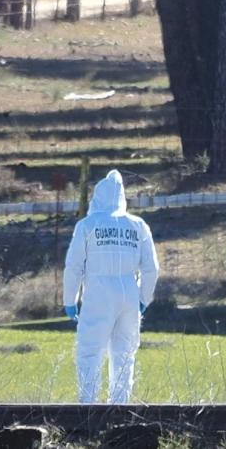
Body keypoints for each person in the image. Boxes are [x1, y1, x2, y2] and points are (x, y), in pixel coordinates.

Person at [62, 169, 159, 404]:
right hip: (129, 291)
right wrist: (143, 299)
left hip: (98, 292)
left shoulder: (87, 225)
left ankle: (88, 407)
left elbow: (74, 267)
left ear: (97, 197)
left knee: (89, 352)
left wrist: (70, 300)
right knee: (124, 355)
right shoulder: (138, 225)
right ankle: (119, 409)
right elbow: (152, 268)